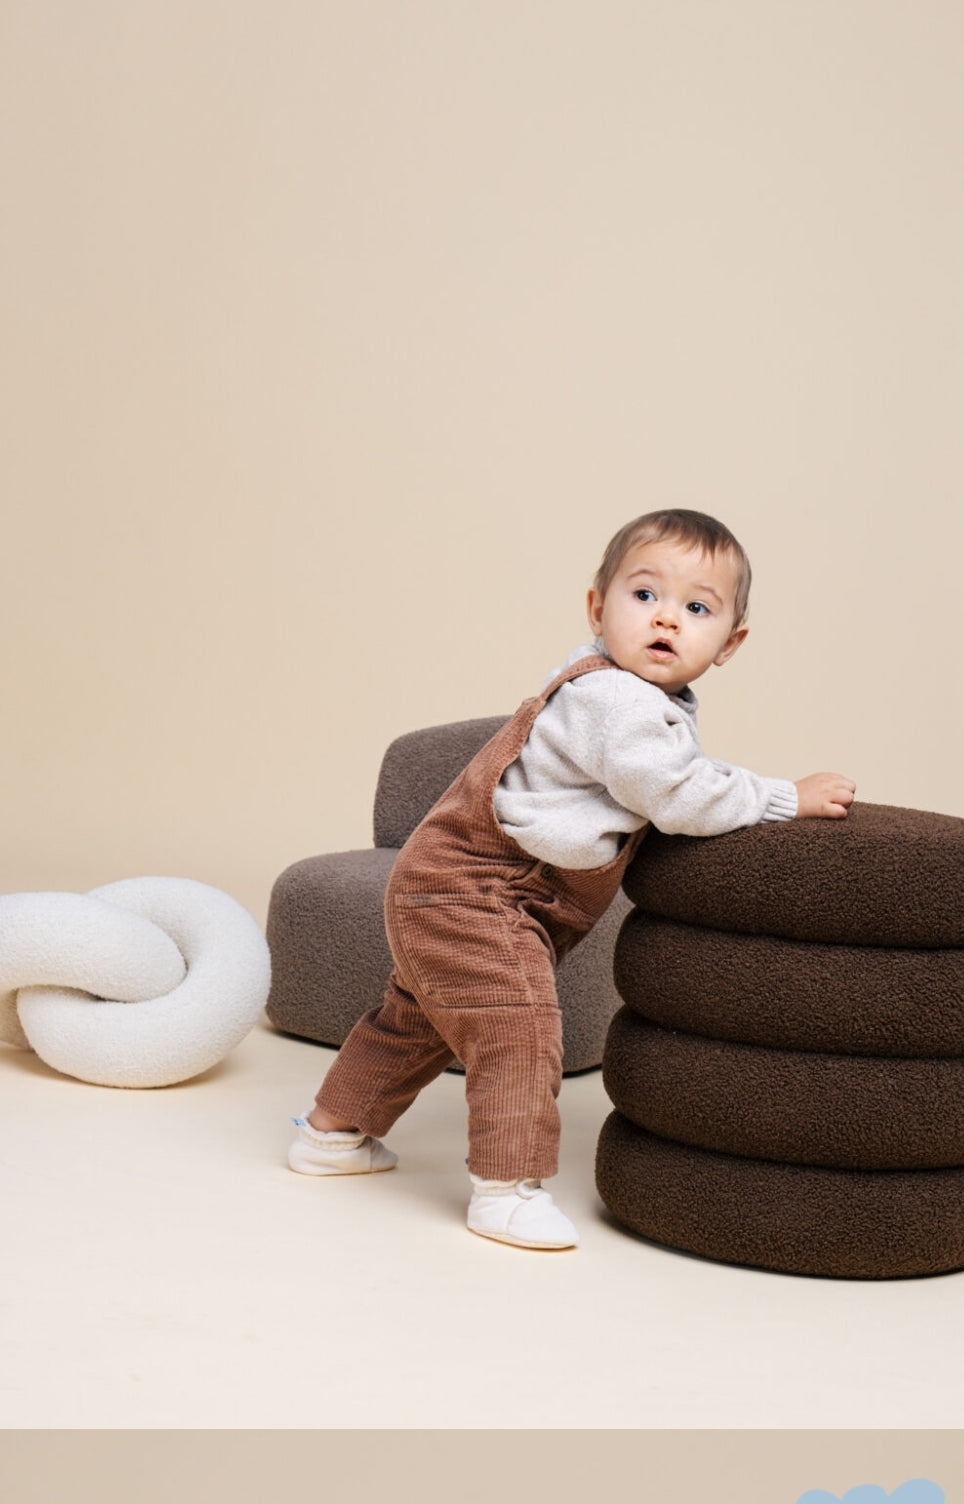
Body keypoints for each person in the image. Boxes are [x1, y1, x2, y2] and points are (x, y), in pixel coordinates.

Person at [287, 509, 856, 1250]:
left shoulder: (632, 699)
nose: (666, 620)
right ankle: (506, 1187)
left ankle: (332, 1134)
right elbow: (679, 796)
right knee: (520, 1025)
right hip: (479, 889)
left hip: (451, 886)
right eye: (644, 595)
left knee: (417, 1018)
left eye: (697, 608)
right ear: (598, 607)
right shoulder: (613, 699)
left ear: (730, 644)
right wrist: (788, 796)